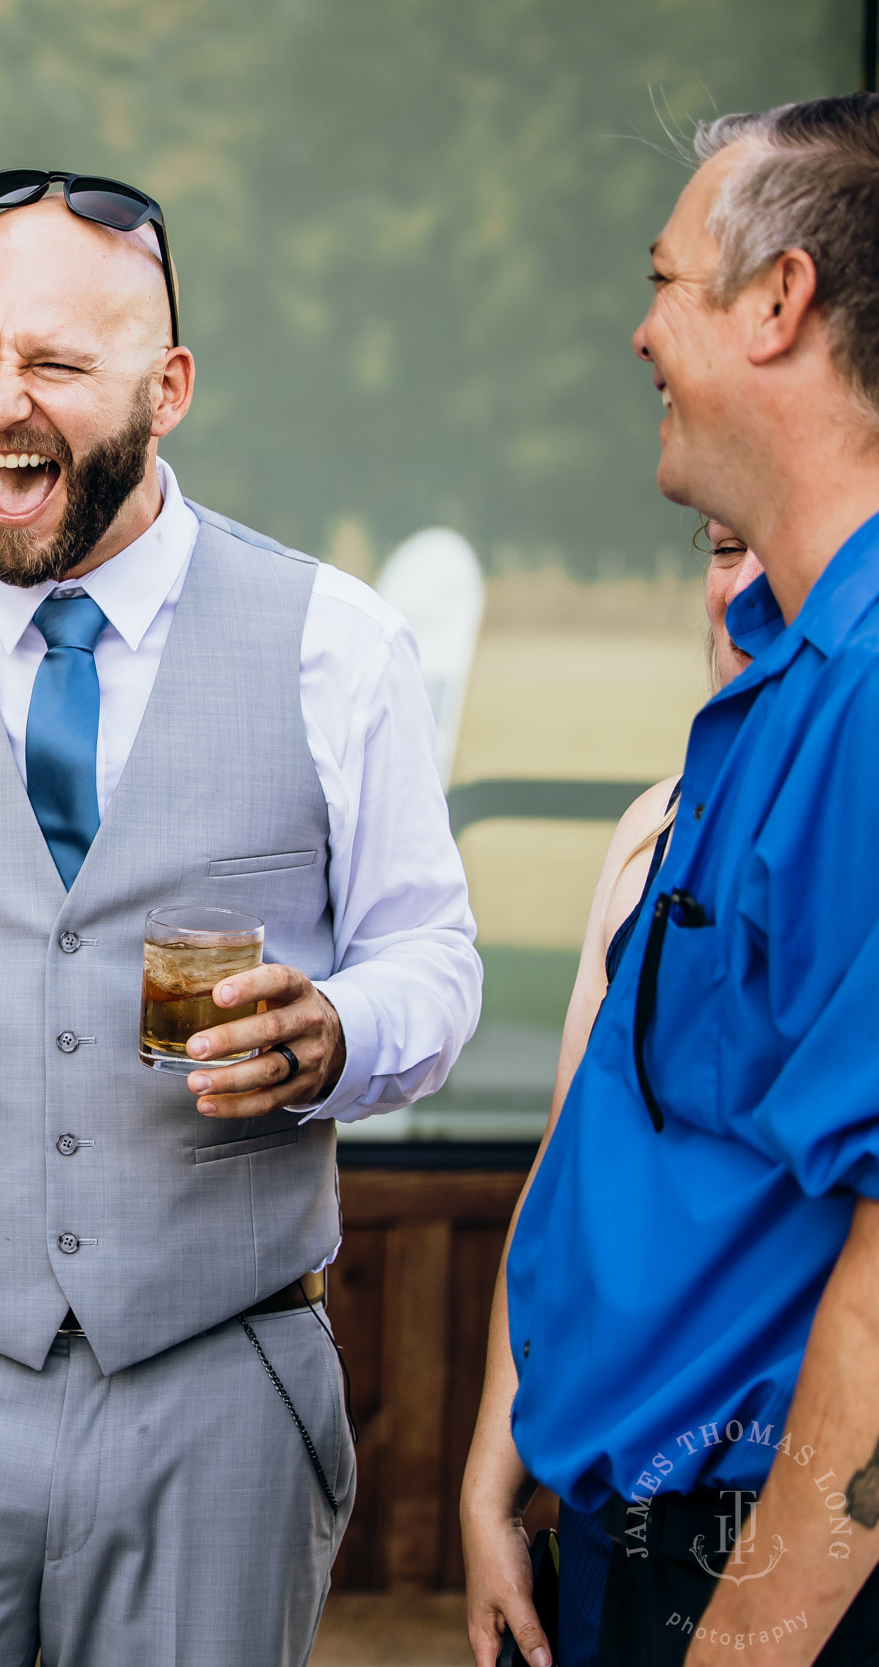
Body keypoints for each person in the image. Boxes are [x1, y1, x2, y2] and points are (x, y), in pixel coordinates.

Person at [0, 172, 482, 1666]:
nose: (1, 404)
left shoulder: (334, 640)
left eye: (55, 363)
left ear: (166, 386)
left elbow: (434, 962)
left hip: (217, 1384)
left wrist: (341, 1031)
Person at [504, 94, 879, 1666]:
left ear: (777, 301)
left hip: (753, 1568)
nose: (642, 332)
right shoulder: (784, 668)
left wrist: (746, 1640)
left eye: (666, 282)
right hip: (638, 1529)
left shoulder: (870, 690)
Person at [460, 519, 765, 1667]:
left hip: (776, 1511)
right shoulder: (651, 829)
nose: (739, 595)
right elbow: (566, 1174)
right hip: (603, 1507)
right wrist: (493, 1479)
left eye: (780, 554)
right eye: (721, 548)